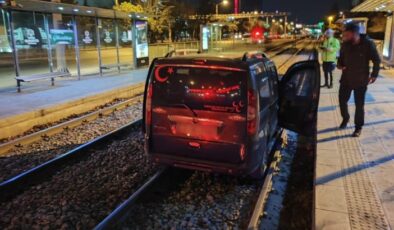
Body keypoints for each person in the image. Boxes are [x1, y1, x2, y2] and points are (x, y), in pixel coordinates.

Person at [337, 22, 381, 137]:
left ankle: (358, 127)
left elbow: (376, 60)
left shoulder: (368, 44)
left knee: (359, 105)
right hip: (346, 79)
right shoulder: (345, 44)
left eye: (346, 34)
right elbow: (340, 59)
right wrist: (339, 65)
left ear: (354, 34)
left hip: (361, 80)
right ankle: (345, 118)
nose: (344, 37)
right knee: (342, 101)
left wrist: (374, 74)